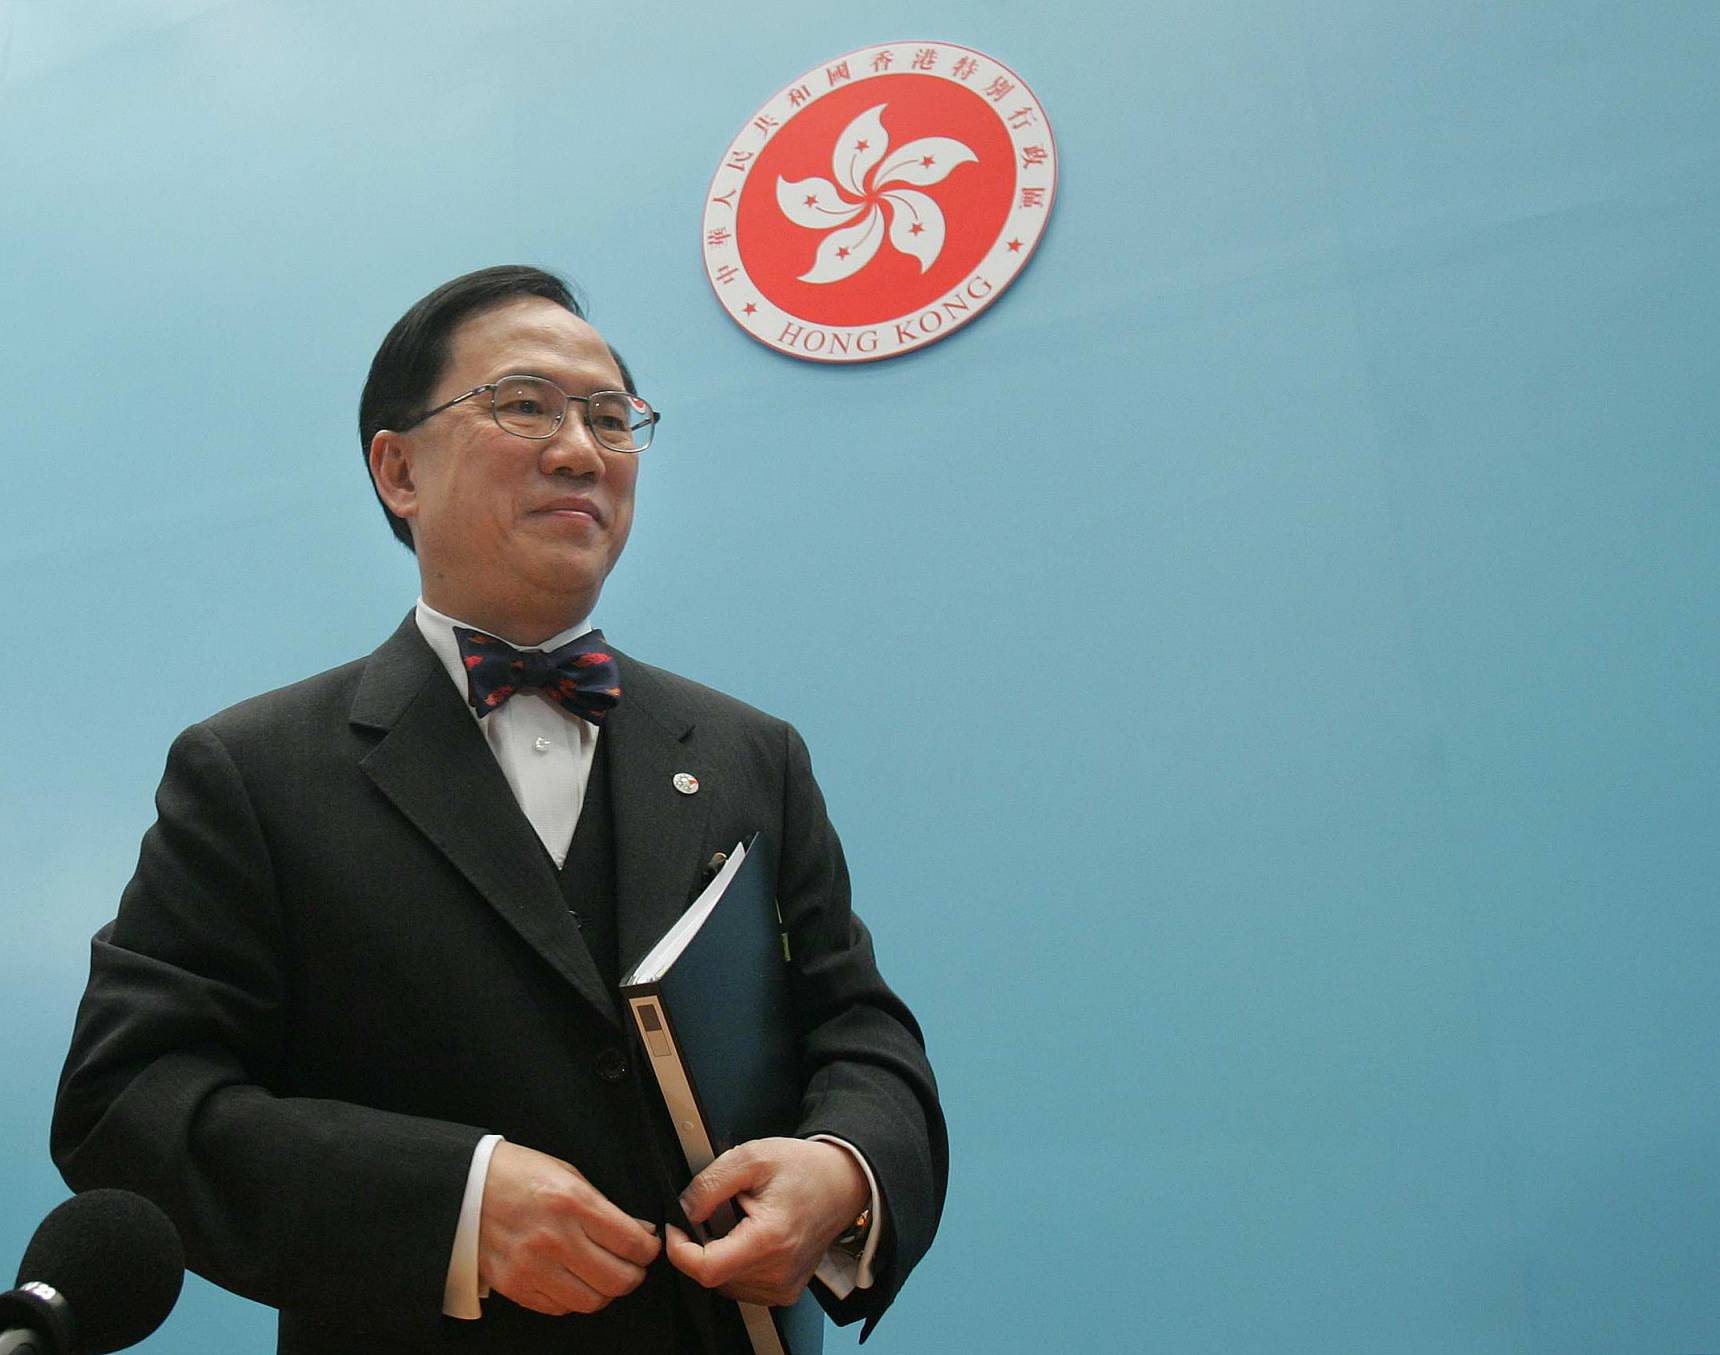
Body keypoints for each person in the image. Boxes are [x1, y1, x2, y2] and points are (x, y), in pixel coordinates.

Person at [51, 265, 947, 1354]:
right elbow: (129, 1100)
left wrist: (844, 1170)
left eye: (610, 417)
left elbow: (859, 1030)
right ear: (398, 469)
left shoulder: (751, 753)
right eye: (524, 404)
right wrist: (455, 1201)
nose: (581, 450)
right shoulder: (251, 770)